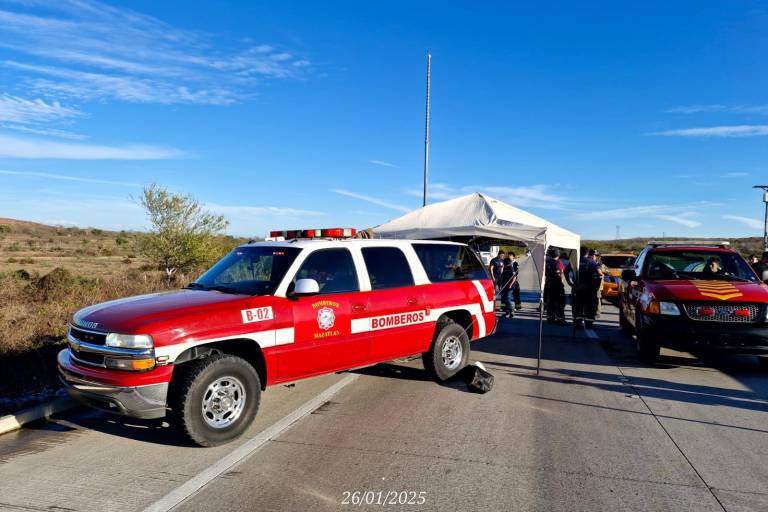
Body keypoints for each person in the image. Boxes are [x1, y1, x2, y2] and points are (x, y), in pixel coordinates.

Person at [544, 248, 567, 325]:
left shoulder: (547, 262)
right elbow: (561, 273)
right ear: (558, 255)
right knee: (560, 303)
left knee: (550, 302)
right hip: (557, 285)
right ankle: (560, 320)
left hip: (548, 284)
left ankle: (550, 319)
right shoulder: (559, 262)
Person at [500, 254, 516, 318]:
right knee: (504, 299)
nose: (503, 263)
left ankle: (511, 311)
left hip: (510, 287)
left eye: (504, 262)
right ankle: (507, 312)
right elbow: (502, 276)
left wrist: (510, 285)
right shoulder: (505, 268)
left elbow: (514, 278)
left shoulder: (510, 268)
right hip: (504, 285)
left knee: (507, 298)